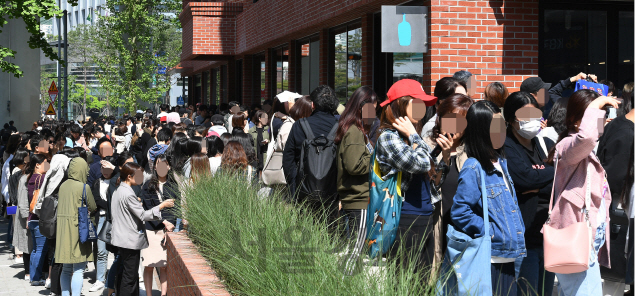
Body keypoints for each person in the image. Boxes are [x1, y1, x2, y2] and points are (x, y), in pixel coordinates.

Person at [450, 100, 526, 296]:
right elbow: (460, 211)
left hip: (507, 255)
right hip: (489, 259)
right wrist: (490, 231)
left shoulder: (500, 162)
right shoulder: (473, 166)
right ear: (481, 130)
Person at [547, 90, 618, 295]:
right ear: (576, 120)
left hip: (586, 238)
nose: (600, 123)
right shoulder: (567, 147)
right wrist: (598, 103)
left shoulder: (586, 151)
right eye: (595, 116)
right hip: (575, 237)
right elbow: (586, 137)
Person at [375, 79, 444, 271]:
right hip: (404, 216)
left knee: (422, 280)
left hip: (425, 213)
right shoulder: (388, 137)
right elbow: (420, 164)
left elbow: (434, 175)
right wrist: (414, 136)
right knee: (404, 280)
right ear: (400, 105)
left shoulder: (412, 135)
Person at [501, 91, 555, 296]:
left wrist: (539, 183)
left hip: (549, 236)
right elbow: (523, 179)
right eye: (525, 117)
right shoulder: (506, 146)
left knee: (546, 291)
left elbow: (559, 179)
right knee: (527, 291)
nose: (532, 122)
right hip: (523, 238)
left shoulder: (545, 144)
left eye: (536, 115)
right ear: (511, 119)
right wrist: (545, 175)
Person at [425, 93, 473, 274]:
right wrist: (443, 157)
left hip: (463, 226)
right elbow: (429, 185)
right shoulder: (427, 145)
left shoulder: (471, 149)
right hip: (435, 223)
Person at [111, 162, 174, 296]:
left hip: (120, 238)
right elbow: (143, 215)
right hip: (129, 240)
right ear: (129, 176)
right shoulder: (128, 193)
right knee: (130, 276)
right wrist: (161, 206)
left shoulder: (118, 190)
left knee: (124, 273)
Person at [334, 86, 377, 275]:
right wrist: (377, 158)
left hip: (359, 198)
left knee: (356, 248)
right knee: (355, 251)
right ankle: (344, 284)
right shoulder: (354, 131)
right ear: (362, 107)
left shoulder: (359, 130)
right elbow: (354, 165)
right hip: (358, 199)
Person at [597, 90, 634, 294]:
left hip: (616, 212)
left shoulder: (618, 125)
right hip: (620, 212)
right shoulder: (627, 134)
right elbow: (615, 178)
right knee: (616, 278)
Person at [283, 85, 339, 200]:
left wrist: (294, 188)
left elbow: (288, 159)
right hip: (332, 194)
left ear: (312, 104)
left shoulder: (299, 125)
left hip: (303, 193)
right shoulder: (341, 127)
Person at [56, 157, 96, 296]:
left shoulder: (62, 185)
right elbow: (93, 206)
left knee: (66, 268)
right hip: (78, 229)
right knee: (79, 268)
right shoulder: (84, 187)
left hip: (62, 230)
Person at [141, 155, 178, 296]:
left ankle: (164, 294)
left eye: (165, 164)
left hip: (168, 230)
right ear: (155, 166)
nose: (162, 167)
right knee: (149, 265)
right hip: (152, 229)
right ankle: (149, 294)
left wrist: (171, 225)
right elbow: (148, 209)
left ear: (169, 166)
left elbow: (176, 207)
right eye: (159, 164)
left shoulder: (173, 185)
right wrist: (164, 222)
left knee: (164, 266)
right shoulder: (148, 185)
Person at [88, 156, 117, 293]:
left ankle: (116, 279)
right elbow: (96, 200)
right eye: (102, 168)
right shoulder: (96, 182)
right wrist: (109, 206)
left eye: (107, 168)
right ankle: (100, 279)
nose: (104, 171)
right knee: (101, 250)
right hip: (102, 218)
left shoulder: (117, 180)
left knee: (118, 251)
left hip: (117, 219)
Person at [25, 154, 49, 286]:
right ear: (37, 165)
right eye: (45, 163)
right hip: (39, 217)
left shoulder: (31, 178)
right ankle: (35, 278)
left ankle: (33, 276)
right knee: (40, 249)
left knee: (35, 249)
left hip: (32, 218)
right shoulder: (42, 178)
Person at [10, 148, 31, 280]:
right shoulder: (20, 174)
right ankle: (21, 258)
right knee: (24, 237)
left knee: (21, 236)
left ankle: (24, 263)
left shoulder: (16, 173)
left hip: (15, 206)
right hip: (20, 206)